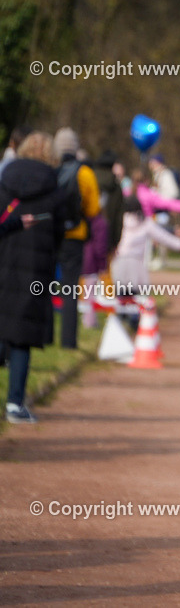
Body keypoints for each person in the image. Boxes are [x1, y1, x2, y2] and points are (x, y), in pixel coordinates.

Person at [0, 132, 65, 423]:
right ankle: (15, 404)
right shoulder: (54, 190)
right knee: (22, 336)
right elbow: (60, 231)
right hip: (36, 267)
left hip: (4, 260)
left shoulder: (5, 182)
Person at [53, 127, 101, 350]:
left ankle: (43, 336)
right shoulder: (85, 173)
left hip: (51, 234)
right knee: (70, 289)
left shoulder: (51, 169)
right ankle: (68, 341)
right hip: (75, 235)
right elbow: (93, 209)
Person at [111, 196, 180, 294]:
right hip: (137, 266)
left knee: (120, 296)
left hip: (119, 263)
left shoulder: (120, 221)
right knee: (138, 298)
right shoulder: (145, 222)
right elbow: (163, 236)